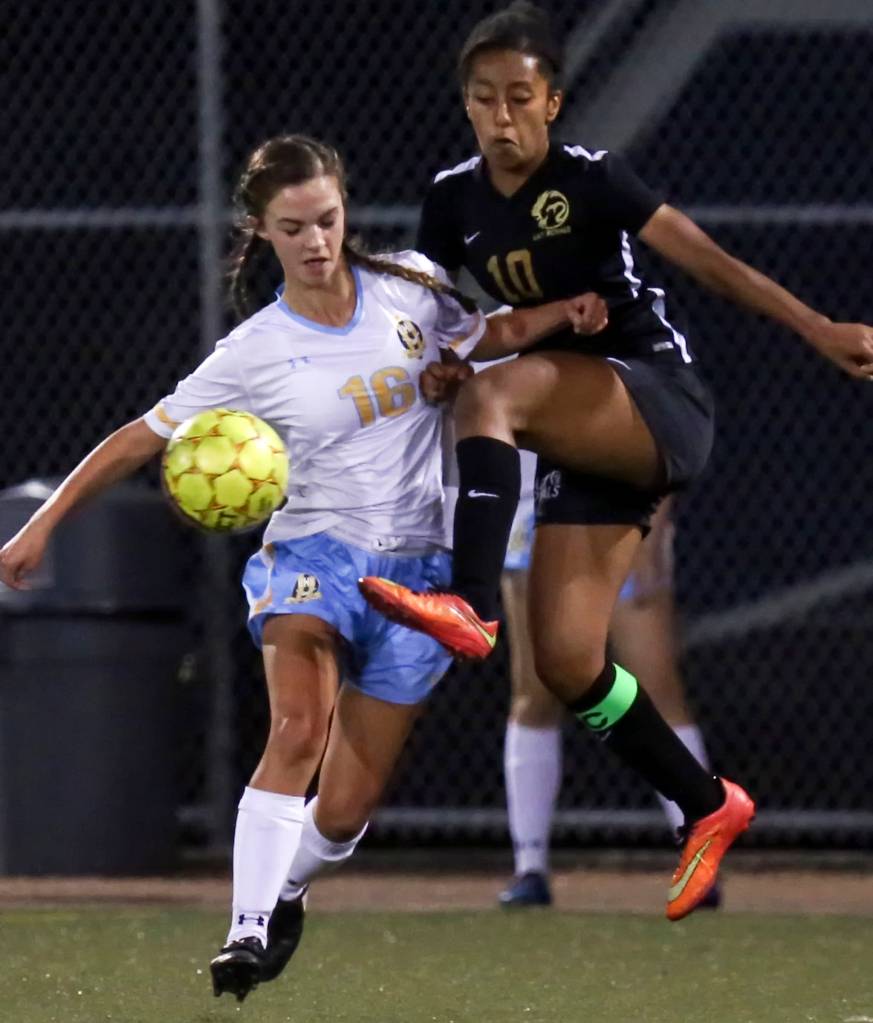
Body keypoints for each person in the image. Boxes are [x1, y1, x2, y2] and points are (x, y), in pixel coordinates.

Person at [0, 134, 607, 1002]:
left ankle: (286, 889)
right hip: (314, 553)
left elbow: (489, 334)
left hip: (424, 576)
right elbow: (143, 435)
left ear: (343, 210)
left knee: (346, 809)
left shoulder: (408, 286)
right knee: (295, 730)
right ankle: (244, 931)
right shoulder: (255, 350)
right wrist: (42, 526)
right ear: (264, 231)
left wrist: (566, 313)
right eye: (294, 227)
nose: (317, 240)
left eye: (327, 219)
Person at [358, 0, 873, 922]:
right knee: (563, 659)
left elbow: (709, 262)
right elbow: (435, 322)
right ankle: (707, 801)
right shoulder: (451, 199)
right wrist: (431, 359)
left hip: (653, 397)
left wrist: (816, 328)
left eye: (520, 97)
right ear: (466, 106)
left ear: (552, 102)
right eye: (483, 99)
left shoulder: (590, 178)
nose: (501, 116)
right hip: (577, 433)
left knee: (495, 394)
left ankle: (469, 602)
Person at [499, 487, 719, 907]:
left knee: (658, 691)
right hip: (531, 518)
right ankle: (530, 868)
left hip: (618, 516)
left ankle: (702, 861)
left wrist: (652, 529)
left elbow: (666, 430)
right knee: (536, 693)